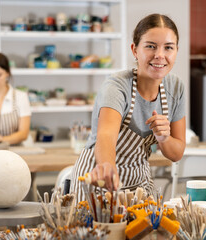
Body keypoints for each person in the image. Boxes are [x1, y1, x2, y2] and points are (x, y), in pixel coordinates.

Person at [71, 13, 186, 202]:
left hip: (139, 185)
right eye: (150, 46)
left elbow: (177, 153)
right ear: (134, 50)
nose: (160, 55)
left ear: (176, 51)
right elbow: (106, 135)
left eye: (168, 48)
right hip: (98, 181)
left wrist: (164, 138)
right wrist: (107, 168)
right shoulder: (116, 86)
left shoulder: (176, 88)